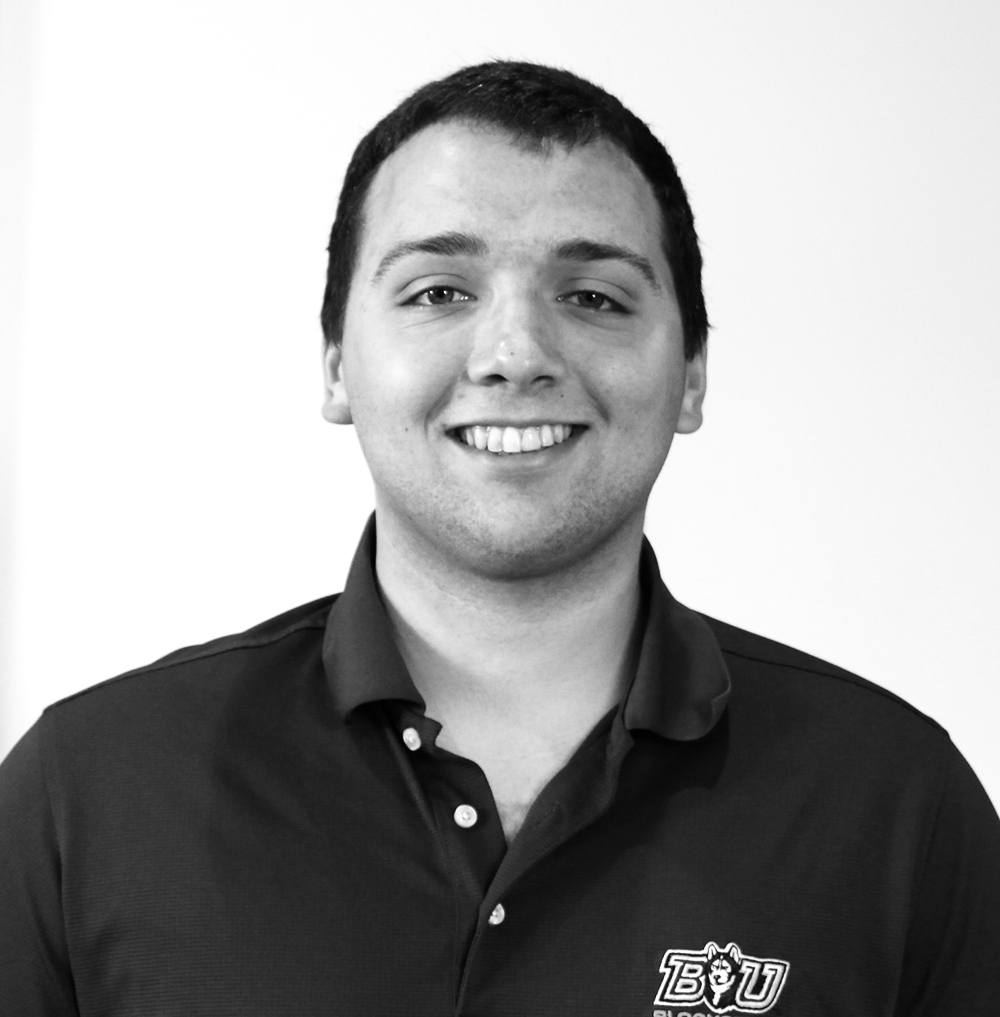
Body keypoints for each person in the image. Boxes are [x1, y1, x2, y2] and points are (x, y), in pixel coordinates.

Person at [1, 60, 998, 1017]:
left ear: (691, 373)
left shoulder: (898, 808)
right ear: (337, 362)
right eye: (439, 291)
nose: (516, 353)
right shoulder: (84, 797)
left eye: (593, 297)